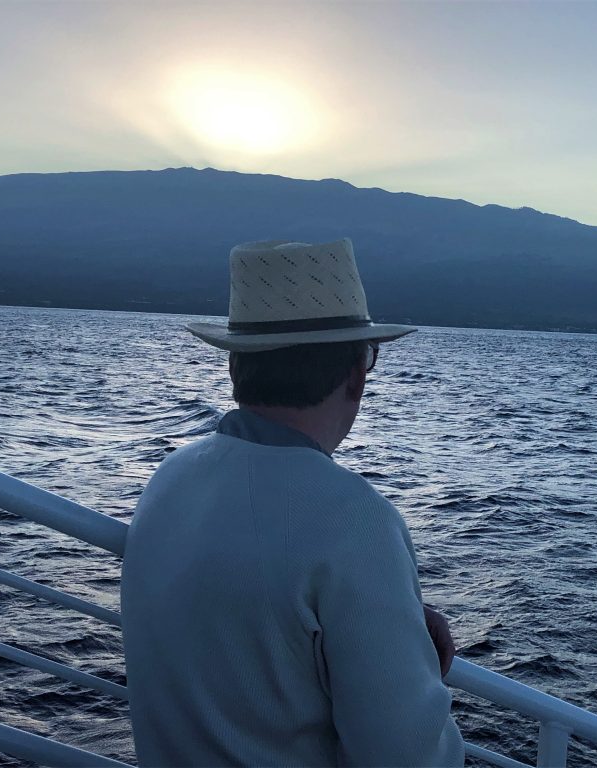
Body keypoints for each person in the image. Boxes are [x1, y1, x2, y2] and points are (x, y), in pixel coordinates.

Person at [120, 238, 465, 767]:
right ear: (357, 372)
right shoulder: (354, 519)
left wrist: (389, 617)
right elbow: (407, 756)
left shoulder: (172, 477)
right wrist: (405, 654)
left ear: (237, 366)